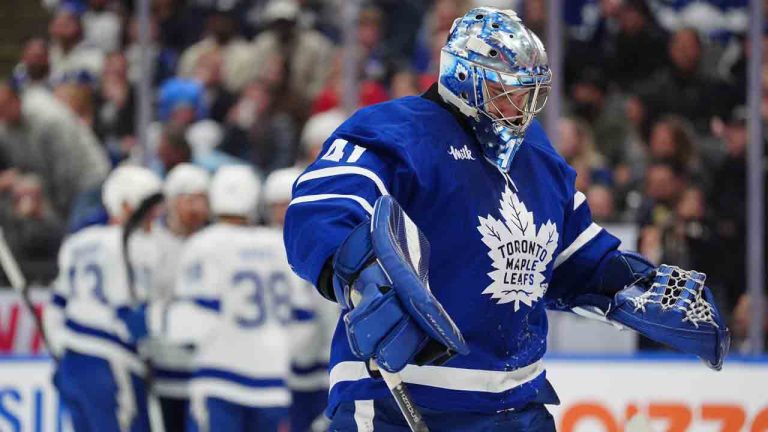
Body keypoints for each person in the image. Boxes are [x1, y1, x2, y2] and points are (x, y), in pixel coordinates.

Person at [284, 7, 729, 431]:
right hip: (399, 398)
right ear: (465, 78)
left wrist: (633, 290)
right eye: (508, 90)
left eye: (529, 92)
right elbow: (321, 208)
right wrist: (360, 277)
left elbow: (578, 259)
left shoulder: (538, 158)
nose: (522, 105)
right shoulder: (398, 131)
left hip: (518, 404)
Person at [120, 165, 314, 432]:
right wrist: (275, 351)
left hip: (221, 382)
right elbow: (303, 320)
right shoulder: (278, 245)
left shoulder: (205, 244)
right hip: (273, 387)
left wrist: (151, 319)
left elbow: (194, 320)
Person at [44, 165, 162, 432]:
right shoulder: (139, 244)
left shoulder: (78, 241)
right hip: (112, 363)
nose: (155, 217)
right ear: (127, 205)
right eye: (150, 209)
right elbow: (133, 316)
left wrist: (63, 354)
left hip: (74, 363)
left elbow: (55, 307)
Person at [263, 167, 339, 432]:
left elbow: (331, 310)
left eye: (286, 204)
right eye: (276, 205)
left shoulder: (318, 241)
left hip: (317, 360)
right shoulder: (265, 245)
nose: (282, 212)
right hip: (279, 359)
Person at [150, 163, 211, 432]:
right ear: (172, 202)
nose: (197, 208)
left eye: (202, 199)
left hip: (206, 366)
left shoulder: (215, 243)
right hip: (163, 364)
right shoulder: (151, 242)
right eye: (190, 199)